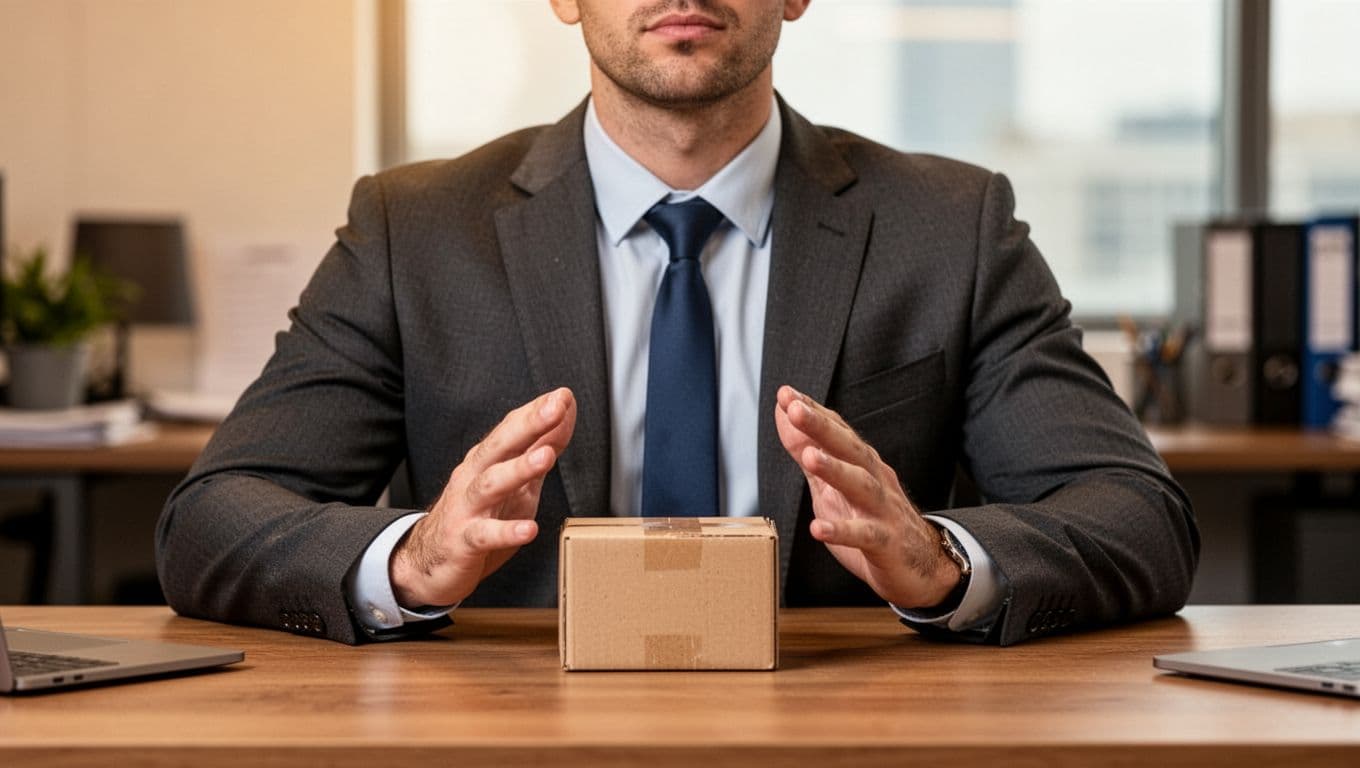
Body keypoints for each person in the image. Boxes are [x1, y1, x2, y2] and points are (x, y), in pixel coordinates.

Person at [156, 0, 1199, 646]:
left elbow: (1136, 519)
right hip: (507, 741)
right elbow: (212, 522)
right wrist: (412, 560)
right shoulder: (414, 229)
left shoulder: (949, 226)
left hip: (843, 736)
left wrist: (941, 560)